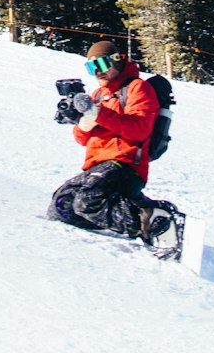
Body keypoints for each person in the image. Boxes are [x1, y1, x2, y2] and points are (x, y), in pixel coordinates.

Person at [47, 39, 171, 243]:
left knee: (87, 202)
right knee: (62, 206)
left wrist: (97, 112)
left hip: (125, 165)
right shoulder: (97, 95)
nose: (98, 71)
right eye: (91, 67)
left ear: (117, 61)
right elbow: (82, 139)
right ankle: (139, 206)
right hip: (97, 167)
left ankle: (152, 223)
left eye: (102, 64)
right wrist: (79, 119)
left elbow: (139, 129)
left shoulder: (137, 88)